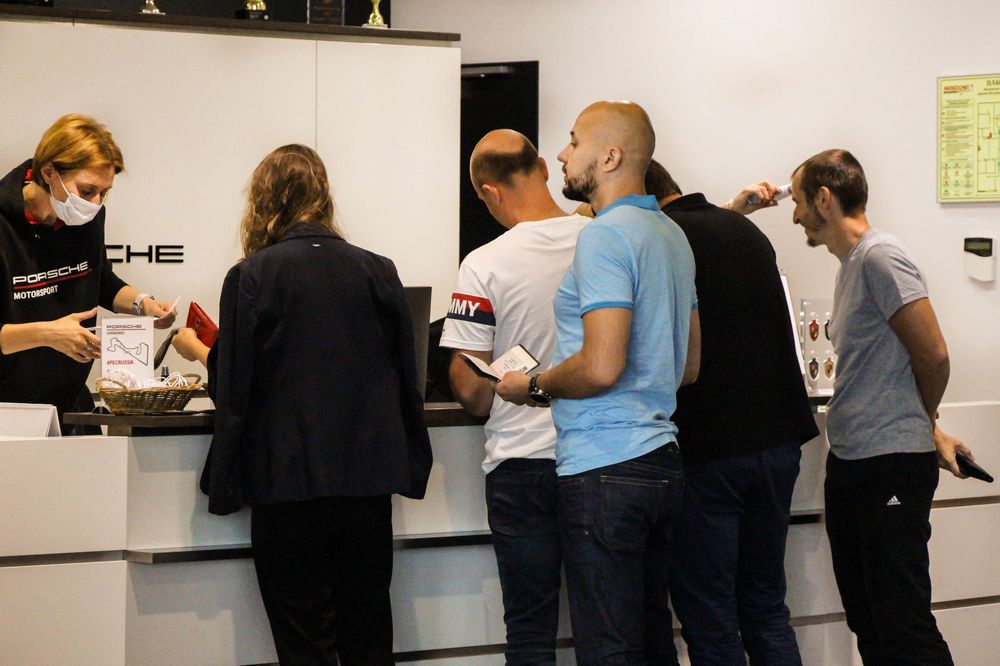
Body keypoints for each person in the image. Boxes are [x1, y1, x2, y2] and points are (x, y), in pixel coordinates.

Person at [202, 144, 433, 665]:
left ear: (264, 201)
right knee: (368, 639)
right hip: (368, 485)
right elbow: (407, 379)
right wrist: (413, 466)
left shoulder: (252, 275)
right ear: (324, 197)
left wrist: (222, 485)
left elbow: (233, 390)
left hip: (287, 485)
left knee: (304, 644)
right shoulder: (378, 270)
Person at [495, 101, 700, 664]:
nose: (562, 154)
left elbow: (602, 365)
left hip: (605, 466)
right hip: (661, 462)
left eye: (574, 140)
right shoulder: (672, 236)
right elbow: (688, 366)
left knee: (608, 649)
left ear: (609, 157)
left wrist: (534, 384)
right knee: (652, 642)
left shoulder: (605, 237)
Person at [790, 149, 971, 665]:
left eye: (799, 201)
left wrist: (923, 421)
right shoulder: (851, 266)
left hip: (889, 464)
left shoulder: (880, 256)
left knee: (902, 624)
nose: (795, 215)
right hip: (854, 463)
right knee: (869, 622)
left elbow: (933, 353)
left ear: (824, 199)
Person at [644, 160, 818, 664]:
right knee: (765, 606)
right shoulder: (742, 230)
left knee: (710, 615)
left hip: (710, 448)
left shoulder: (660, 240)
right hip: (777, 441)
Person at [440, 129, 589, 664]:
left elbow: (472, 390)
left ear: (489, 192)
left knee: (529, 630)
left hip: (521, 464)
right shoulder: (602, 239)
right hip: (598, 458)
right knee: (612, 627)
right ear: (544, 168)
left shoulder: (482, 264)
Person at [0, 114, 176, 433]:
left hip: (71, 406)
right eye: (87, 190)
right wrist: (48, 334)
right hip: (8, 411)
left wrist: (142, 304)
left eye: (103, 193)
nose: (95, 204)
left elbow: (100, 279)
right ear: (49, 172)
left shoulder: (86, 217)